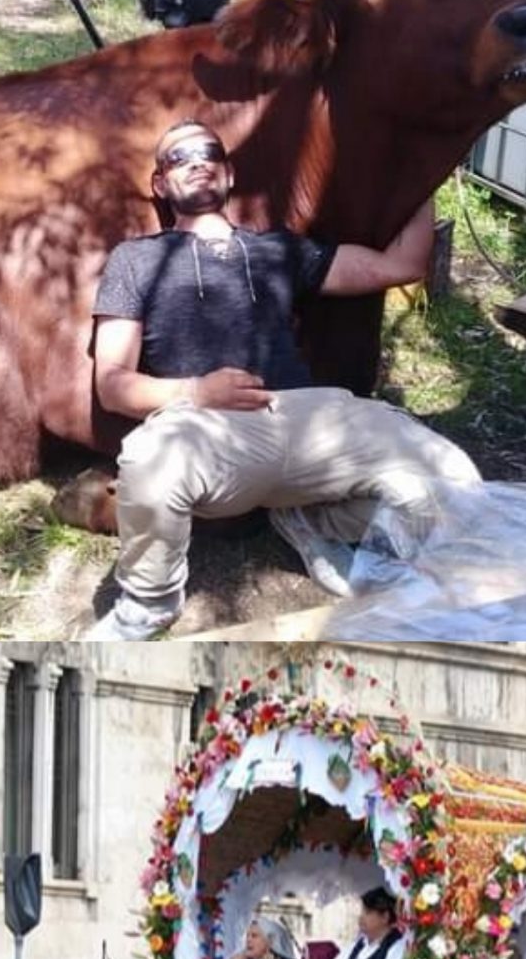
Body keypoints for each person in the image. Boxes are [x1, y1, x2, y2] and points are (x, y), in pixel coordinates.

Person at [83, 121, 483, 639]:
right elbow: (112, 384)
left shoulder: (279, 249)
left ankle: (311, 520)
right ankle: (151, 603)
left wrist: (425, 177)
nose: (197, 160)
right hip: (208, 430)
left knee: (454, 479)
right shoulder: (135, 260)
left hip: (312, 417)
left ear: (228, 172)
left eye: (209, 152)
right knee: (146, 462)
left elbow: (402, 265)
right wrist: (195, 392)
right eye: (179, 157)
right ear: (160, 185)